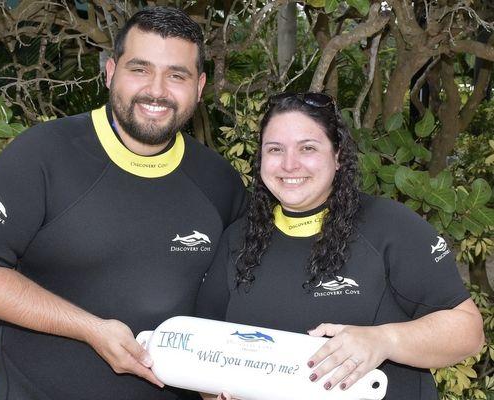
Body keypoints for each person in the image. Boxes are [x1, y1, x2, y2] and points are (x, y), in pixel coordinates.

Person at [0, 6, 246, 400]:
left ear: (199, 86)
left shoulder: (218, 181)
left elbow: (246, 290)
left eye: (177, 75)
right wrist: (91, 329)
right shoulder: (42, 155)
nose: (156, 90)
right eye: (139, 69)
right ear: (110, 72)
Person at [197, 92, 484, 400]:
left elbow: (468, 332)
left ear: (337, 156)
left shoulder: (389, 226)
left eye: (307, 148)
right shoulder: (238, 240)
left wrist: (383, 340)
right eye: (275, 150)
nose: (289, 164)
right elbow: (205, 357)